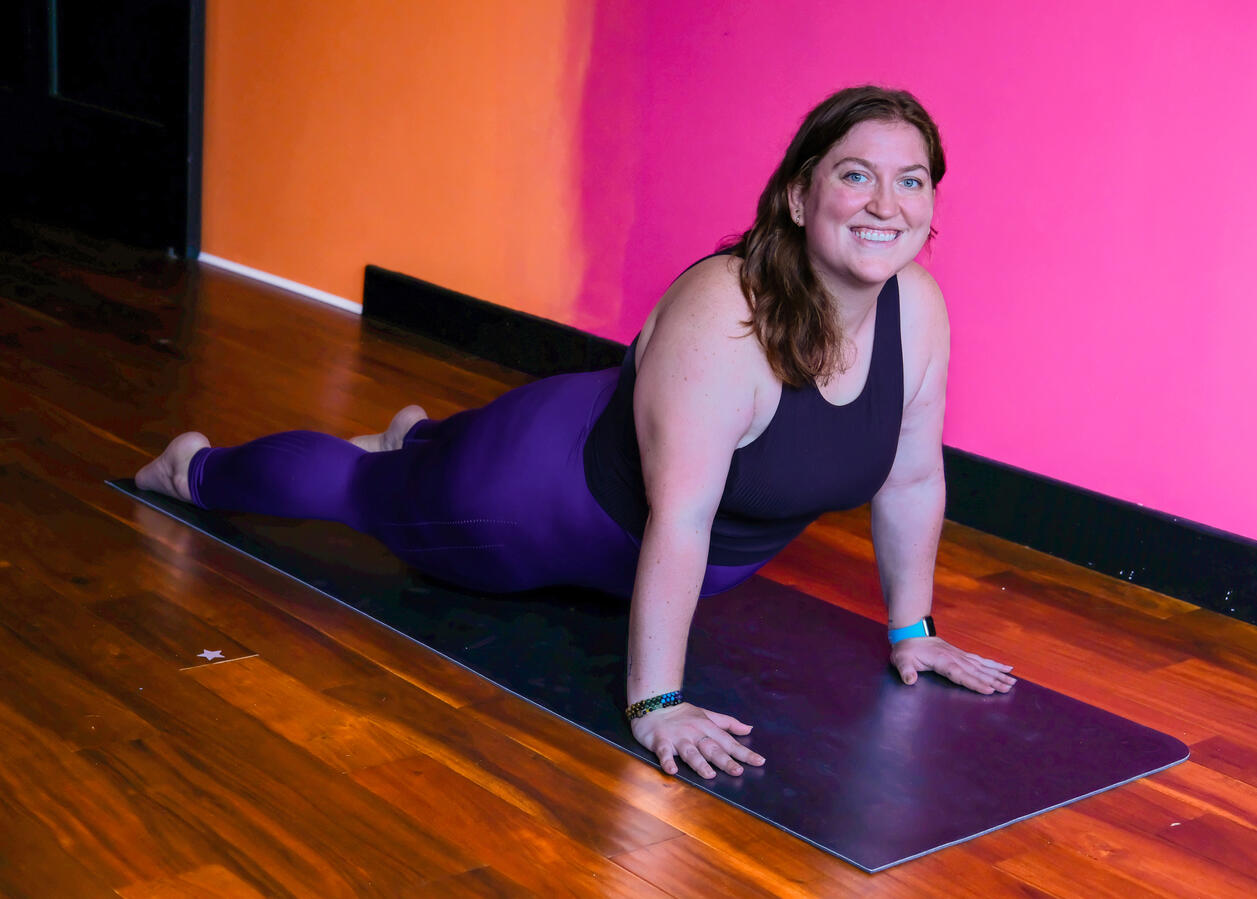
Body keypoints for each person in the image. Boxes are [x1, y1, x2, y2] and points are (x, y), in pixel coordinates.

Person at [135, 85, 1015, 781]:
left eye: (911, 181)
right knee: (363, 493)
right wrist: (657, 702)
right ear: (798, 193)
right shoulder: (726, 313)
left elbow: (907, 478)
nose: (885, 203)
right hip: (529, 497)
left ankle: (415, 441)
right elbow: (680, 517)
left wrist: (913, 631)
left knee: (411, 460)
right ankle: (197, 470)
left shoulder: (918, 311)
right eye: (855, 173)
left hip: (632, 499)